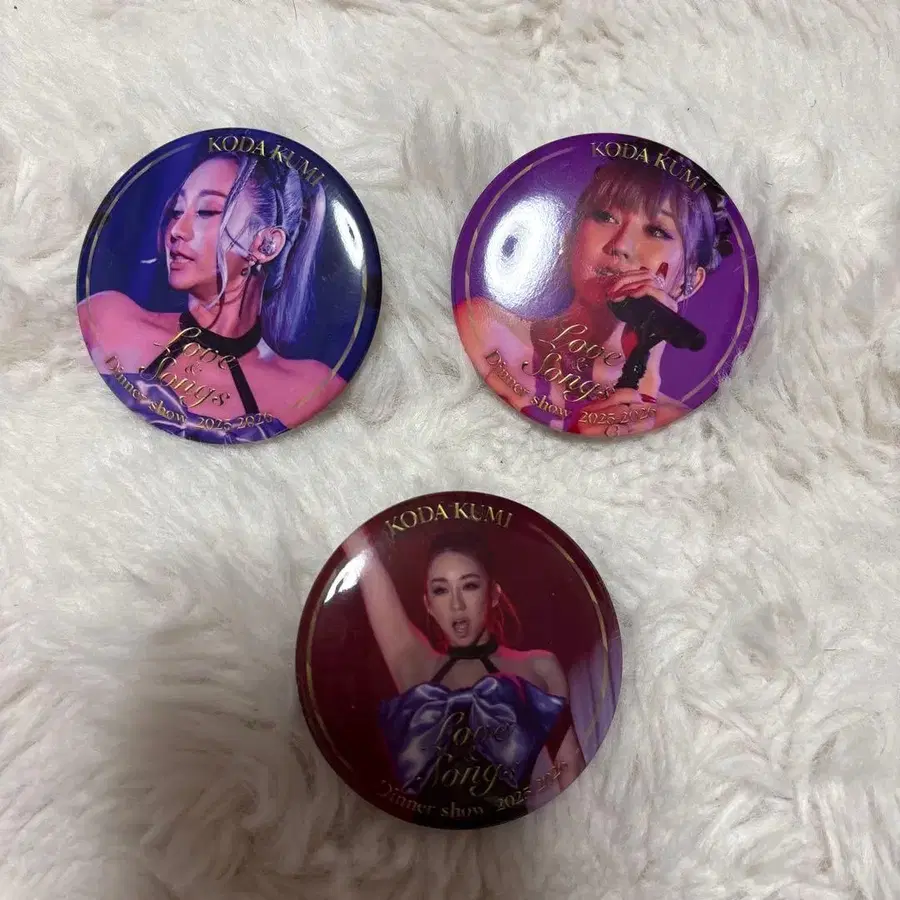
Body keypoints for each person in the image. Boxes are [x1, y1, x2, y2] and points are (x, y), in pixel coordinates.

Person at [78, 150, 344, 441]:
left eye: (206, 211)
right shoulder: (107, 317)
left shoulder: (312, 386)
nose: (176, 230)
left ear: (266, 244)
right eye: (177, 211)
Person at [455, 155, 728, 435]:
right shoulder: (486, 329)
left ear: (688, 283)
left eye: (656, 231)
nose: (620, 245)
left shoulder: (681, 428)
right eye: (605, 216)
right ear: (570, 238)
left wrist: (648, 366)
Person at [345, 528, 586, 824]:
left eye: (469, 586)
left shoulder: (540, 666)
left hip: (515, 842)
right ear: (428, 605)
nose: (456, 604)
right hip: (427, 843)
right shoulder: (415, 665)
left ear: (494, 594)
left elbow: (570, 769)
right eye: (441, 590)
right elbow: (364, 558)